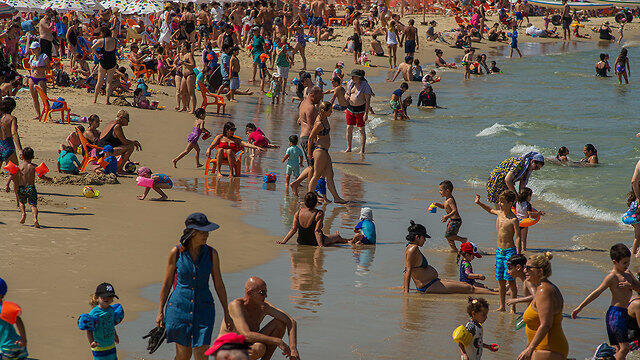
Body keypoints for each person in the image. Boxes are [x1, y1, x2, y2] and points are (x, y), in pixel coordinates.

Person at [156, 213, 232, 360]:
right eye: (203, 232)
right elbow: (166, 284)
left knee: (202, 354)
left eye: (207, 232)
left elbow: (219, 285)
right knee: (184, 355)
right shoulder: (176, 252)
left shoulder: (212, 254)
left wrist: (226, 312)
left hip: (204, 308)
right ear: (192, 233)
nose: (207, 235)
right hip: (178, 308)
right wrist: (160, 311)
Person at [572, 243, 640, 360]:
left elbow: (638, 287)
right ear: (615, 262)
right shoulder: (612, 277)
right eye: (624, 263)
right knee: (624, 348)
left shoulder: (628, 273)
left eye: (628, 262)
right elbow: (596, 292)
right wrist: (580, 307)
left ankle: (602, 355)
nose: (627, 265)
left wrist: (631, 286)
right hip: (615, 314)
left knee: (617, 349)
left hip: (623, 313)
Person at [403, 220, 496, 295]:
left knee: (465, 285)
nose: (425, 240)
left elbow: (407, 269)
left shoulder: (409, 247)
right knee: (469, 288)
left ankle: (495, 291)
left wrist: (405, 287)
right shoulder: (413, 249)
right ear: (417, 237)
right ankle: (497, 295)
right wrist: (406, 292)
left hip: (432, 282)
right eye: (424, 238)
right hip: (428, 285)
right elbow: (408, 270)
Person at [216, 277, 300, 360]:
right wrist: (277, 341)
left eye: (266, 292)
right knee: (259, 348)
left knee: (280, 324)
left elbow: (290, 321)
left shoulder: (264, 306)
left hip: (245, 346)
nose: (266, 296)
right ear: (250, 293)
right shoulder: (236, 305)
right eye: (262, 293)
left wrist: (293, 349)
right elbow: (246, 335)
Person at [475, 191, 520, 312]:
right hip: (499, 251)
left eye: (502, 202)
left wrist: (519, 255)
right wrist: (479, 203)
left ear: (510, 203)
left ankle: (513, 307)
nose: (499, 204)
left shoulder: (513, 219)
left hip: (510, 252)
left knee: (510, 281)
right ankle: (502, 306)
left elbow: (518, 237)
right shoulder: (499, 214)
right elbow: (489, 209)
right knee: (500, 280)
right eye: (500, 201)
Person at [520, 253, 568, 360]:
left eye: (528, 268)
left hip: (549, 349)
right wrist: (529, 347)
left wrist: (530, 349)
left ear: (540, 271)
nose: (524, 271)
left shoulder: (544, 291)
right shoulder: (542, 288)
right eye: (524, 267)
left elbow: (546, 324)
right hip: (542, 348)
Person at [306, 102, 347, 203]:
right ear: (324, 111)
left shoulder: (324, 118)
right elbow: (311, 137)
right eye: (330, 110)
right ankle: (309, 198)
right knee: (316, 174)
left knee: (330, 175)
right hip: (320, 150)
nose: (332, 112)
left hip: (325, 150)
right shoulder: (319, 123)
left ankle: (336, 198)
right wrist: (309, 152)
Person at [279, 192, 348, 246]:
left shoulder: (298, 212)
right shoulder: (319, 213)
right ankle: (338, 236)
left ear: (305, 202)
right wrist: (320, 246)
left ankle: (335, 236)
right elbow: (317, 231)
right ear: (316, 203)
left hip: (301, 242)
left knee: (326, 235)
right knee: (335, 237)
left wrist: (283, 241)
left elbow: (293, 229)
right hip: (314, 242)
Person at [79, 283, 124, 360]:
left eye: (110, 296)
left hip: (110, 344)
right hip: (99, 346)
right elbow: (89, 330)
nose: (107, 298)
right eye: (104, 296)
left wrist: (115, 335)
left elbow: (111, 324)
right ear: (97, 298)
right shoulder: (94, 313)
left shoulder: (111, 310)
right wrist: (91, 342)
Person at [13, 147, 51, 228]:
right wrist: (48, 179)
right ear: (33, 157)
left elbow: (13, 175)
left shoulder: (20, 166)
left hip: (22, 188)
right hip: (31, 188)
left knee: (21, 202)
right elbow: (41, 176)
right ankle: (35, 219)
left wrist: (7, 184)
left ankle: (23, 214)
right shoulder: (34, 166)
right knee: (33, 205)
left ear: (22, 157)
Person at [433, 180, 467, 252]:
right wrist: (437, 204)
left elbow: (455, 210)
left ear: (447, 191)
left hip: (456, 221)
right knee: (449, 237)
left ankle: (463, 239)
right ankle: (454, 250)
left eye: (441, 190)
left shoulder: (450, 200)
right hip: (452, 220)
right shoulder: (447, 199)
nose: (439, 192)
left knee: (448, 235)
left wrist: (447, 216)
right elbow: (444, 207)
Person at [344, 69, 372, 154]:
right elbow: (346, 93)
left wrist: (366, 113)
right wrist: (346, 96)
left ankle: (362, 149)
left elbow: (368, 100)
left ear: (359, 77)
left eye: (353, 76)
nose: (352, 77)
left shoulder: (365, 86)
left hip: (360, 110)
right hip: (350, 108)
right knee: (349, 128)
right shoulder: (350, 83)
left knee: (361, 130)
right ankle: (349, 147)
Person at [0, 277, 28, 360]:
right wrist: (23, 338)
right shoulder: (7, 308)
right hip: (18, 345)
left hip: (6, 349)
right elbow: (18, 320)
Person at [92, 26, 118, 105]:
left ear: (103, 33)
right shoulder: (115, 40)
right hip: (112, 61)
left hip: (104, 61)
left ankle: (95, 99)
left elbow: (93, 48)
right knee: (109, 82)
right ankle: (107, 100)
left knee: (100, 81)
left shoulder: (102, 40)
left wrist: (97, 55)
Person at [0, 97, 21, 192]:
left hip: (0, 145)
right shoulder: (12, 118)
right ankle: (18, 200)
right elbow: (14, 133)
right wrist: (20, 149)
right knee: (15, 172)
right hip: (8, 146)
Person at [515, 188, 545, 252]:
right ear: (528, 196)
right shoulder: (528, 204)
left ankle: (518, 248)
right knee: (524, 238)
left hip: (517, 222)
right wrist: (539, 213)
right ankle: (523, 249)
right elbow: (530, 214)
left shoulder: (517, 202)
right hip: (524, 222)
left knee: (518, 237)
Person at [27, 42, 49, 120]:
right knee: (34, 97)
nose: (33, 51)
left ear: (38, 49)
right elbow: (30, 68)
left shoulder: (44, 56)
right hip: (33, 77)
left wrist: (38, 68)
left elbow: (48, 68)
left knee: (44, 97)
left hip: (41, 77)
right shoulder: (32, 57)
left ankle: (48, 114)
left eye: (34, 49)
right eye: (32, 49)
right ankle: (38, 114)